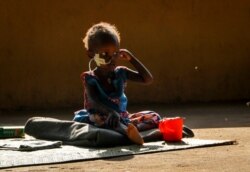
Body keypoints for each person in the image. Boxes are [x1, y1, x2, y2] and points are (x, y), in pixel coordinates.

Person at [73, 22, 163, 145]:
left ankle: (127, 131)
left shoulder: (121, 72)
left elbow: (147, 79)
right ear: (91, 54)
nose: (112, 59)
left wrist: (132, 58)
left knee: (154, 116)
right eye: (105, 54)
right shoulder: (90, 78)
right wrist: (110, 112)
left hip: (122, 117)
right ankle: (128, 133)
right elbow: (94, 102)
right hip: (102, 115)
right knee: (102, 120)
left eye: (115, 53)